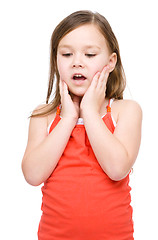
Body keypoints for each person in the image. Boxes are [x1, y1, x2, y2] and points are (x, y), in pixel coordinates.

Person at [22, 10, 142, 240]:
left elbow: (117, 169)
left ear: (110, 62)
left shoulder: (126, 111)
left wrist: (89, 111)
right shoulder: (43, 116)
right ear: (56, 60)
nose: (77, 62)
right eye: (66, 54)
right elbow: (33, 175)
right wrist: (68, 118)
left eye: (89, 54)